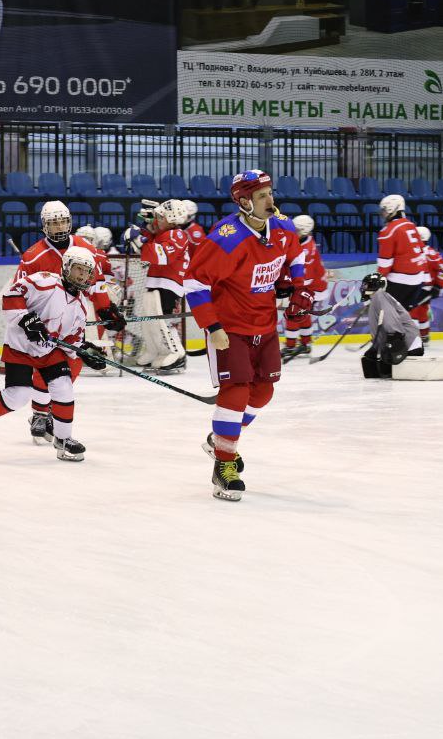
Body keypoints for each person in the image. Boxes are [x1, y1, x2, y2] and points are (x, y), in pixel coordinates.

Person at [185, 169, 312, 501]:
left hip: (264, 324)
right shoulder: (226, 238)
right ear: (243, 202)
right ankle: (224, 466)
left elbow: (296, 255)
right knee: (237, 391)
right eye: (261, 196)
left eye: (270, 193)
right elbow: (195, 283)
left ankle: (220, 440)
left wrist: (297, 286)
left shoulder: (282, 226)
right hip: (230, 328)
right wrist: (213, 327)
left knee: (263, 392)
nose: (270, 200)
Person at [0, 246, 110, 461]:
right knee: (18, 397)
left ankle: (63, 439)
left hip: (48, 351)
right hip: (20, 347)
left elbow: (70, 340)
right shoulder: (44, 281)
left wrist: (84, 351)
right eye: (78, 269)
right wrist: (26, 319)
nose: (82, 275)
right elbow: (12, 294)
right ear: (66, 267)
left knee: (63, 387)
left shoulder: (80, 306)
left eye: (87, 271)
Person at [14, 202, 108, 441]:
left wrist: (106, 308)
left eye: (63, 221)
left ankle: (50, 410)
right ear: (44, 225)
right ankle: (39, 413)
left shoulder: (86, 247)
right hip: (44, 321)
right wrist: (26, 319)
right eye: (54, 222)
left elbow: (97, 282)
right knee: (45, 366)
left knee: (72, 366)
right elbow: (18, 293)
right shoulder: (33, 256)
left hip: (74, 316)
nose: (59, 226)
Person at [358, 272, 443, 381]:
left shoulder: (380, 296)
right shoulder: (376, 301)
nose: (363, 288)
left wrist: (394, 339)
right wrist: (375, 347)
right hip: (401, 343)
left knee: (385, 368)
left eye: (366, 285)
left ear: (375, 286)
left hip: (407, 344)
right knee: (373, 366)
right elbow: (382, 328)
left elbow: (390, 318)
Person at [135, 199, 190, 371]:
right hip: (157, 281)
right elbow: (149, 239)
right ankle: (155, 351)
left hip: (170, 284)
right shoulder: (163, 233)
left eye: (161, 216)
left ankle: (177, 353)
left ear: (172, 219)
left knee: (162, 320)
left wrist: (138, 240)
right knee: (149, 320)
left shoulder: (177, 234)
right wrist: (143, 226)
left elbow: (162, 255)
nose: (157, 219)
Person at [376, 194, 431, 330]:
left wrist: (378, 281)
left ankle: (389, 340)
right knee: (404, 315)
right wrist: (426, 280)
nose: (383, 214)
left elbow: (385, 263)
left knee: (387, 314)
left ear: (392, 209)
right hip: (416, 281)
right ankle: (409, 340)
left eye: (384, 210)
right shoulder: (411, 225)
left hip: (399, 281)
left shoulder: (389, 230)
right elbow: (421, 253)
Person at [281, 214, 327, 361]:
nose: (293, 231)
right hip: (314, 285)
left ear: (304, 231)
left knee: (293, 314)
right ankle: (306, 344)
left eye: (296, 229)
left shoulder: (305, 250)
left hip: (312, 287)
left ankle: (290, 346)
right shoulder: (305, 240)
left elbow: (303, 277)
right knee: (303, 315)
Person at [416, 226, 443, 344]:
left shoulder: (431, 253)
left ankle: (421, 335)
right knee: (418, 311)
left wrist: (438, 286)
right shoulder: (413, 251)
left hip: (425, 288)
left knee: (417, 310)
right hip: (415, 286)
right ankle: (422, 335)